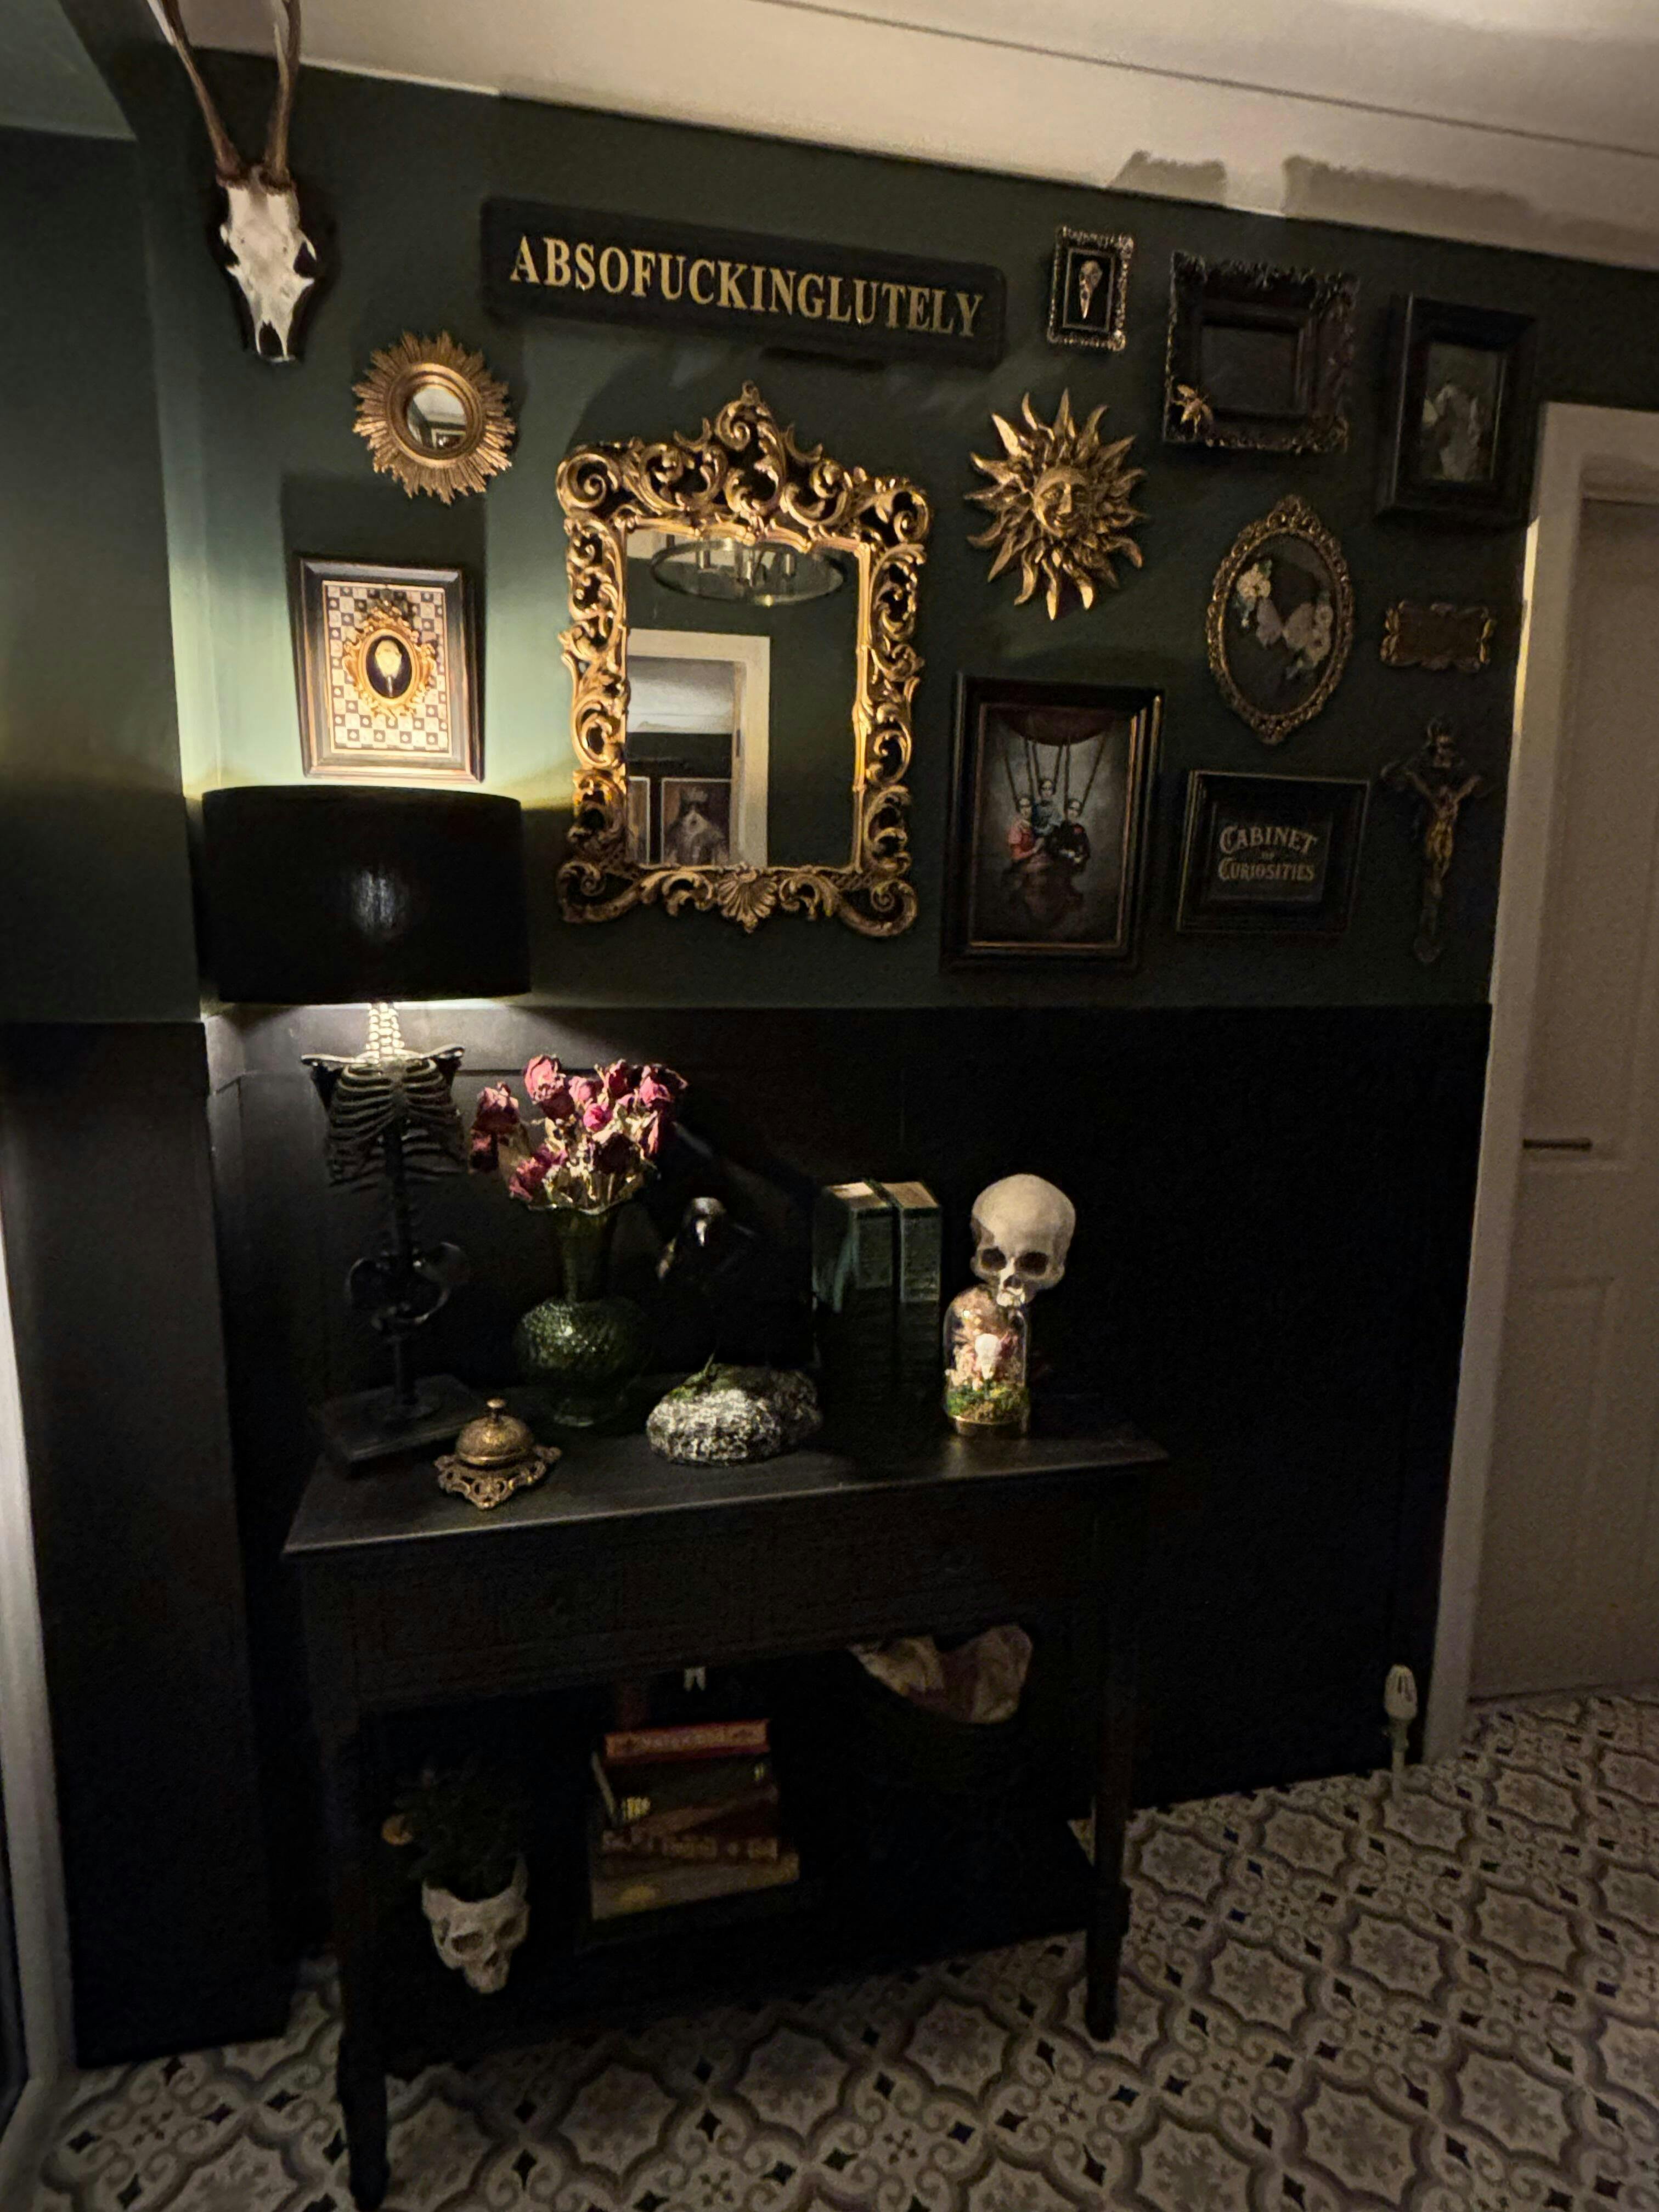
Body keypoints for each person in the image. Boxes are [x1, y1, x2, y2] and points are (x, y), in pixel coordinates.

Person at [662, 788, 730, 867]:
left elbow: (722, 862)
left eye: (698, 810)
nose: (693, 816)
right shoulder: (675, 833)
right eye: (689, 810)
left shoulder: (714, 835)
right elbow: (669, 862)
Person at [1045, 797, 1091, 871]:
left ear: (1079, 813)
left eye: (1076, 810)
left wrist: (1080, 858)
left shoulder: (1081, 829)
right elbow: (1051, 848)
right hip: (1058, 866)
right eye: (1071, 809)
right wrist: (1066, 853)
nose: (1073, 813)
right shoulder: (1058, 828)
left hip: (1074, 867)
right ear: (1066, 810)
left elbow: (1087, 851)